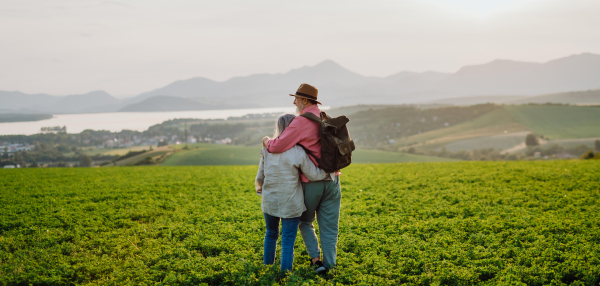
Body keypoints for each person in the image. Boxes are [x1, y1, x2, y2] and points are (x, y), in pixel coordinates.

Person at [262, 83, 341, 273]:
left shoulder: (300, 121)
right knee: (330, 228)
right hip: (333, 179)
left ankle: (316, 261)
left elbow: (277, 146)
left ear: (305, 100)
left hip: (312, 182)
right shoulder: (324, 117)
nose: (294, 101)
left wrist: (266, 141)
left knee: (305, 222)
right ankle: (330, 265)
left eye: (296, 98)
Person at [255, 113, 330, 273]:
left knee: (270, 234)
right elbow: (313, 174)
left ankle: (267, 270)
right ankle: (285, 273)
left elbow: (260, 176)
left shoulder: (267, 150)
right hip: (290, 202)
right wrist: (329, 173)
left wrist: (259, 186)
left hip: (269, 201)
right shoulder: (297, 151)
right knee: (288, 239)